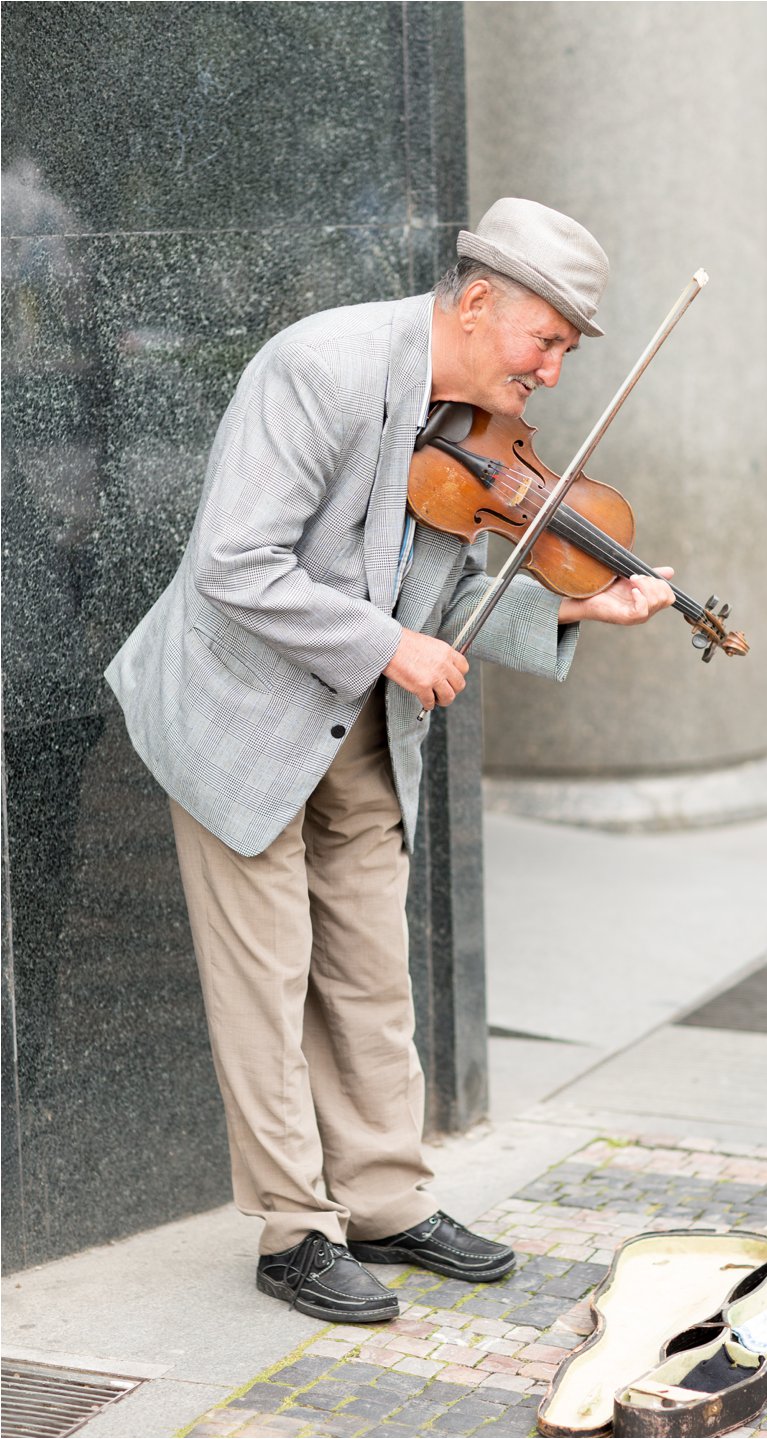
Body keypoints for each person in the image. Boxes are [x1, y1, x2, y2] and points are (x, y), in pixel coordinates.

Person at [105, 197, 675, 1324]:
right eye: (547, 340)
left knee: (370, 968)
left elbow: (452, 590)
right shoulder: (317, 369)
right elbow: (234, 562)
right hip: (242, 718)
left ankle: (385, 1201)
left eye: (566, 349)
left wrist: (578, 607)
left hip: (364, 724)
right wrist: (389, 644)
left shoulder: (472, 425)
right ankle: (294, 1230)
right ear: (476, 303)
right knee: (265, 984)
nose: (554, 370)